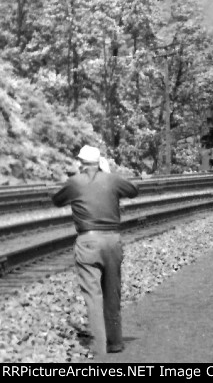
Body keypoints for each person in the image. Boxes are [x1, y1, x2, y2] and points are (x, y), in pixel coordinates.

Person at [51, 145, 139, 355]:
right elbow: (134, 190)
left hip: (88, 241)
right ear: (100, 162)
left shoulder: (75, 182)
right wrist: (109, 176)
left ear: (80, 162)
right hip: (112, 241)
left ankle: (99, 348)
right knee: (112, 292)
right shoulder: (112, 179)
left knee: (93, 295)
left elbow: (56, 200)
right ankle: (115, 342)